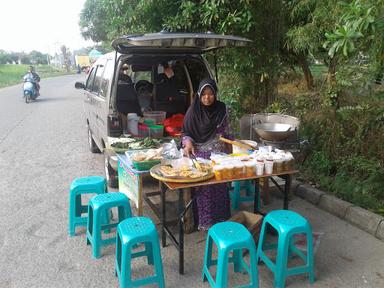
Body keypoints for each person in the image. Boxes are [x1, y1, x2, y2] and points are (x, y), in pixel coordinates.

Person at [182, 78, 233, 230]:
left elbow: (229, 131)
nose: (207, 97)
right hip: (200, 157)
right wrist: (188, 142)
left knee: (221, 189)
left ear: (215, 94)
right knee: (205, 192)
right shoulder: (193, 111)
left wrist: (231, 154)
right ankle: (206, 223)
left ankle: (223, 219)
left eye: (210, 94)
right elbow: (185, 133)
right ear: (199, 94)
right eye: (204, 94)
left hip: (220, 157)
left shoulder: (222, 108)